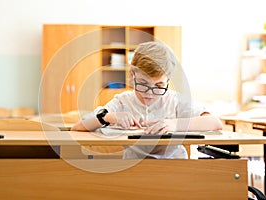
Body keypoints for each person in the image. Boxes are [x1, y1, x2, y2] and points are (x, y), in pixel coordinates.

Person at [71, 41, 223, 159]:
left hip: (174, 167)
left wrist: (175, 124)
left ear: (168, 80)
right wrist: (108, 117)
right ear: (132, 74)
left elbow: (215, 122)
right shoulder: (123, 102)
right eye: (143, 84)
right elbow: (78, 127)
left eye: (158, 85)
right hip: (134, 169)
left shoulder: (174, 101)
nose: (150, 93)